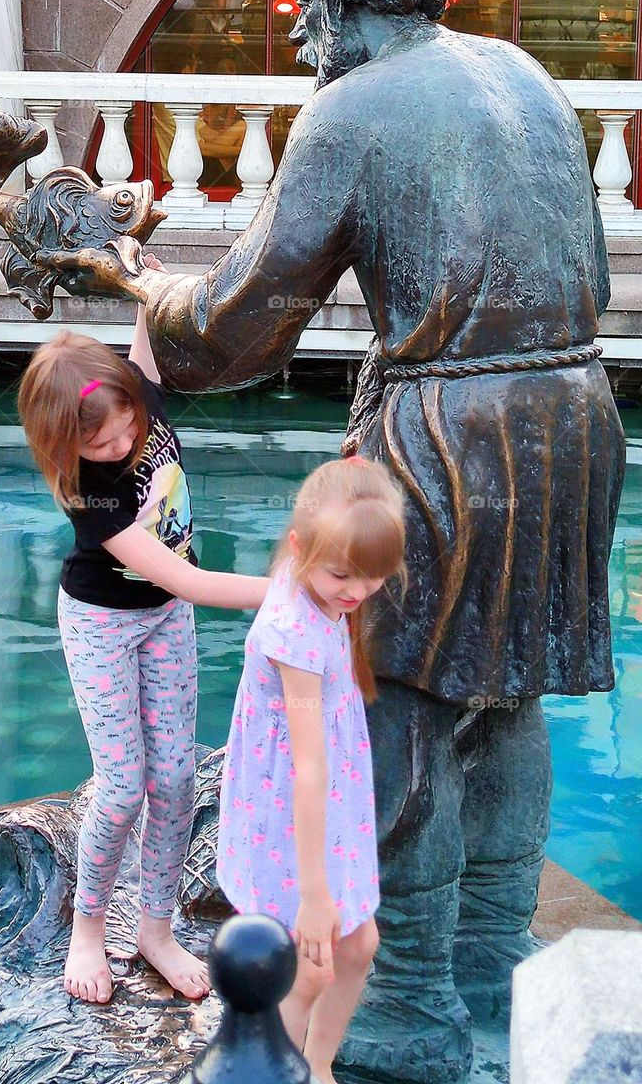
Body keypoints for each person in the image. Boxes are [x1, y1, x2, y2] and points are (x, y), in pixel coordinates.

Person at [35, 0, 624, 1082]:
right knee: (501, 693)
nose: (298, 24)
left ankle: (406, 1004)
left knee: (396, 702)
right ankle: (482, 962)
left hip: (452, 439)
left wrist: (126, 283)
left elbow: (233, 331)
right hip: (573, 416)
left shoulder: (350, 113)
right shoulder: (519, 75)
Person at [16, 277, 269, 1006]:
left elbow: (146, 335)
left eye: (126, 428)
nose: (123, 445)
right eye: (100, 443)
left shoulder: (133, 395)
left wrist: (142, 279)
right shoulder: (88, 495)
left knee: (177, 782)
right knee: (123, 787)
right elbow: (185, 581)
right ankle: (89, 926)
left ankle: (155, 929)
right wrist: (292, 591)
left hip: (164, 621)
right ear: (63, 444)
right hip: (103, 624)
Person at [217, 456, 405, 1084]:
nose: (356, 593)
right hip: (290, 810)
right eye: (343, 575)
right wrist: (316, 895)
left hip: (330, 798)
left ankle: (317, 1064)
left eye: (375, 578)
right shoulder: (294, 632)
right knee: (308, 966)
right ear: (300, 549)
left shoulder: (313, 578)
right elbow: (305, 766)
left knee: (360, 947)